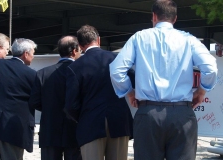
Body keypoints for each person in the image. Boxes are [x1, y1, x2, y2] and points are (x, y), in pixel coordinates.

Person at [109, 0, 218, 160]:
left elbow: (117, 71)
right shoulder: (188, 40)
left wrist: (129, 92)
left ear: (153, 16)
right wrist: (201, 91)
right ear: (175, 19)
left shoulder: (139, 38)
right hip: (182, 114)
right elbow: (211, 68)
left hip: (148, 114)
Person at [64, 25, 134, 160]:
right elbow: (135, 80)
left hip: (91, 123)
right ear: (99, 40)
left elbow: (70, 105)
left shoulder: (74, 67)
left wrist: (83, 117)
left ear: (80, 45)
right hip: (119, 120)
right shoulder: (117, 58)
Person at [29, 36, 82, 160]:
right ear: (74, 51)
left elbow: (34, 101)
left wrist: (49, 107)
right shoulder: (81, 72)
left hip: (50, 129)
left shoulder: (42, 73)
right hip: (75, 129)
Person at [0, 38, 37, 160]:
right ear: (26, 54)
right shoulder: (31, 75)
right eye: (33, 53)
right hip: (13, 130)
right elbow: (36, 101)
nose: (33, 57)